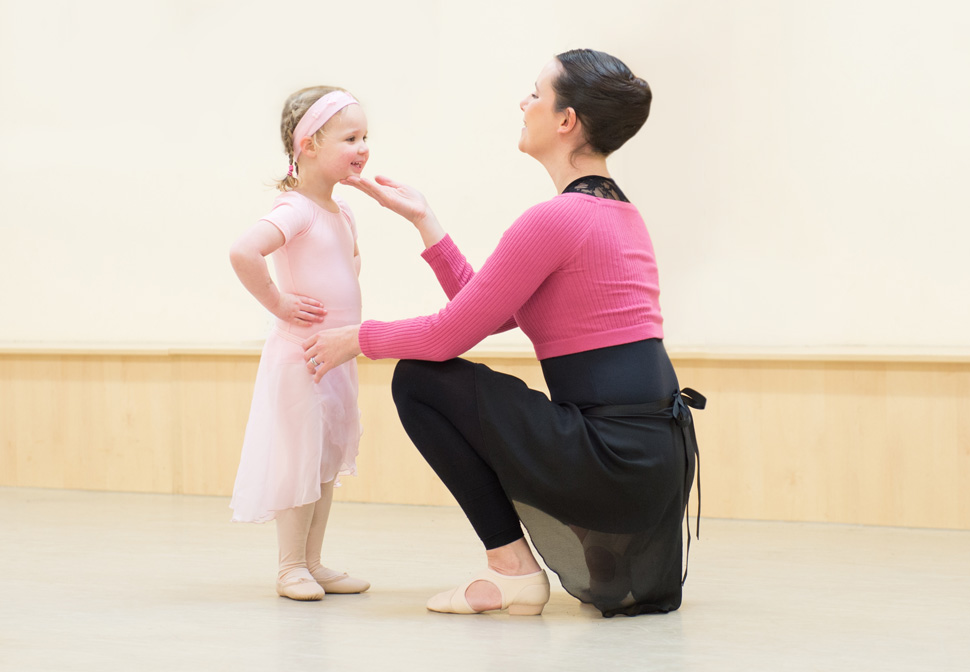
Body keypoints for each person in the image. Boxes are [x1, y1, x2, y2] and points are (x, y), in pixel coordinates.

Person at [303, 49, 705, 617]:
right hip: (652, 464)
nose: (524, 102)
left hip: (613, 457)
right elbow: (489, 310)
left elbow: (448, 336)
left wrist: (355, 338)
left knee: (419, 380)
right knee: (430, 372)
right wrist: (425, 220)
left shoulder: (557, 219)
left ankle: (511, 571)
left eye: (536, 94)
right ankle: (521, 567)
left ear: (566, 120)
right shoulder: (617, 214)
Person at [228, 86, 371, 601]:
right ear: (308, 143)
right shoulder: (296, 209)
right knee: (298, 459)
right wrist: (279, 302)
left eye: (365, 137)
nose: (363, 147)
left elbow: (349, 264)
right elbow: (245, 251)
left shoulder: (342, 212)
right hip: (300, 358)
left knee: (325, 461)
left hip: (333, 359)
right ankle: (290, 566)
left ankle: (312, 561)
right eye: (350, 137)